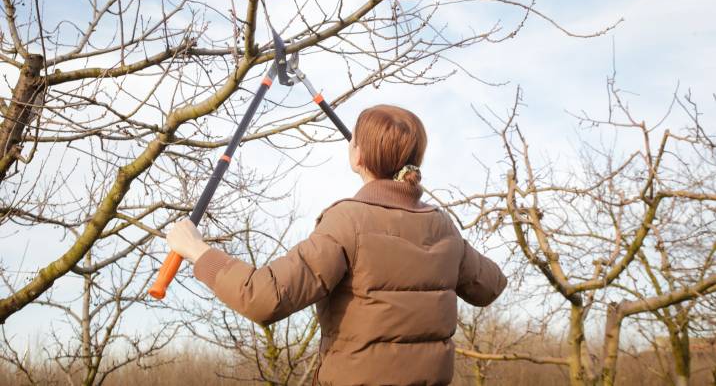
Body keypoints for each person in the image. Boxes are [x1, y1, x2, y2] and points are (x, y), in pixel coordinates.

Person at [165, 103, 507, 385]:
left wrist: (198, 251)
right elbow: (491, 286)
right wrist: (426, 215)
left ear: (357, 156)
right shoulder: (443, 227)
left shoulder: (348, 222)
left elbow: (264, 298)